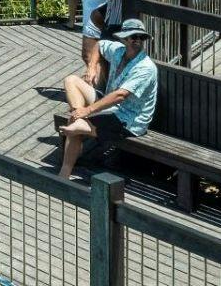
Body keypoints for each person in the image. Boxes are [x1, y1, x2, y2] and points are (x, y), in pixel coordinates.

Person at [58, 19, 158, 179]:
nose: (138, 40)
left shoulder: (145, 67)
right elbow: (99, 45)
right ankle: (79, 120)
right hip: (109, 104)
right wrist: (91, 67)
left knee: (74, 125)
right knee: (71, 81)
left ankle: (64, 173)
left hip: (129, 118)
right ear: (124, 39)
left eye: (141, 37)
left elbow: (121, 95)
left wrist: (88, 110)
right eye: (134, 37)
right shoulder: (118, 51)